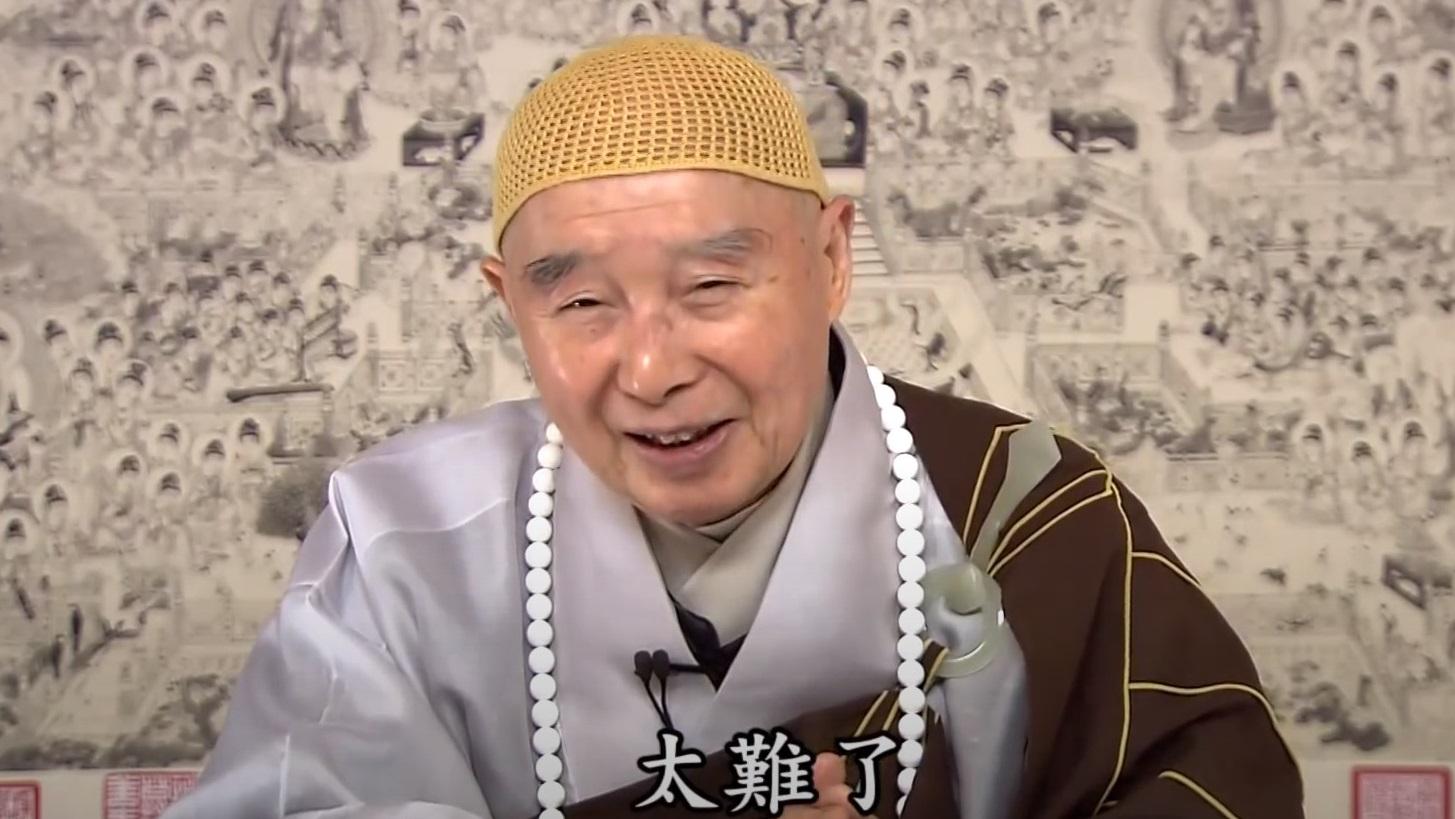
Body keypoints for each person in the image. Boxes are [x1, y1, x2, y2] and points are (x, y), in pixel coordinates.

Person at [165, 35, 1302, 819]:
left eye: (711, 287)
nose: (652, 370)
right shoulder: (401, 541)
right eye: (581, 303)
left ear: (831, 258)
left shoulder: (1017, 509)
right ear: (507, 300)